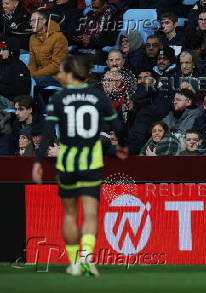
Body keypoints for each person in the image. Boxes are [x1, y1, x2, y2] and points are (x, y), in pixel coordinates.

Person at [32, 55, 128, 276]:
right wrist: (121, 145)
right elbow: (117, 126)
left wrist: (38, 161)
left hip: (66, 162)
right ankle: (87, 255)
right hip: (91, 162)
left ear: (71, 73)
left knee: (69, 214)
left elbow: (47, 132)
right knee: (91, 213)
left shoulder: (58, 98)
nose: (60, 75)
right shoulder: (98, 96)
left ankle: (74, 262)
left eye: (63, 71)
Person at [28, 10, 68, 89]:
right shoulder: (32, 38)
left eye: (33, 21)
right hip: (40, 75)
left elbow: (57, 65)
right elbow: (32, 63)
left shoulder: (59, 37)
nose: (31, 24)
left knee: (34, 81)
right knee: (21, 80)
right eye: (30, 21)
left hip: (57, 77)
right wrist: (29, 74)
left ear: (43, 21)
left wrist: (34, 75)